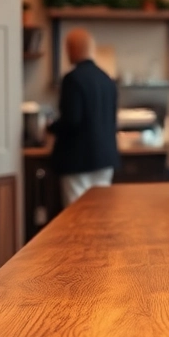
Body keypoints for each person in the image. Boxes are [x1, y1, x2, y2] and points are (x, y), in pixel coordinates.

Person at [49, 28, 118, 207]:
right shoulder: (107, 79)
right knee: (101, 211)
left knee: (76, 212)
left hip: (77, 159)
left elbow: (72, 120)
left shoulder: (72, 79)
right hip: (105, 158)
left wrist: (50, 127)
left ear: (71, 50)